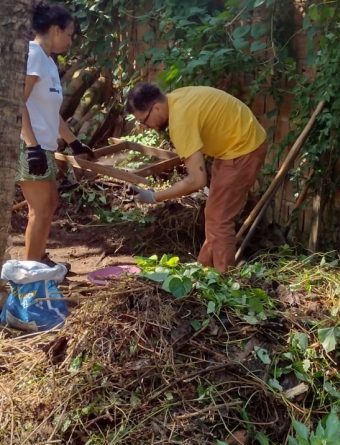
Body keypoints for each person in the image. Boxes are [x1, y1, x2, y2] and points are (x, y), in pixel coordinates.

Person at [125, 84, 268, 272]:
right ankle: (204, 270)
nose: (147, 127)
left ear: (156, 107)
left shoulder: (180, 120)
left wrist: (154, 196)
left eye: (144, 121)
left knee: (219, 220)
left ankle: (224, 283)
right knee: (213, 214)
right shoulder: (176, 99)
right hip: (233, 145)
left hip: (243, 150)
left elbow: (197, 180)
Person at [19, 2, 94, 269]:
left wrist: (74, 141)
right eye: (69, 33)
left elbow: (51, 112)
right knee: (39, 210)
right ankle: (30, 273)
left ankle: (37, 259)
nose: (71, 40)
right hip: (31, 146)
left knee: (48, 204)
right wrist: (32, 147)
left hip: (43, 146)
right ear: (54, 29)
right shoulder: (34, 55)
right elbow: (18, 103)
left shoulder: (49, 62)